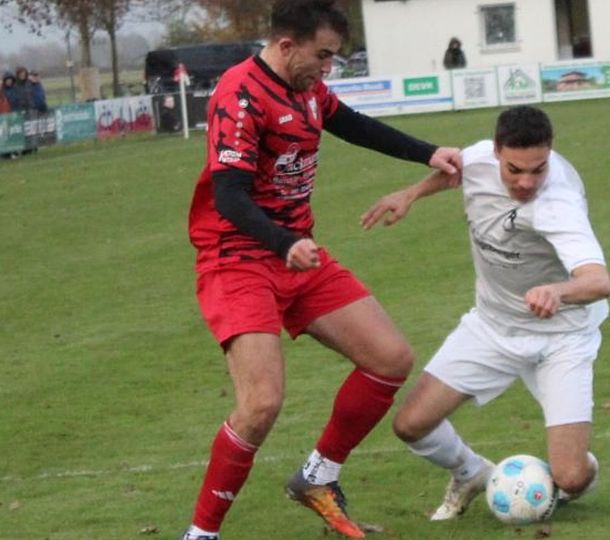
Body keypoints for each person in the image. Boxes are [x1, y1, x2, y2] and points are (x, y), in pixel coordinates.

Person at [180, 1, 462, 539]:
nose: (328, 67)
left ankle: (318, 477)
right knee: (261, 404)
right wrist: (284, 243)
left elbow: (351, 124)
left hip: (296, 253)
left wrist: (429, 154)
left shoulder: (306, 86)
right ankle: (200, 535)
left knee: (389, 358)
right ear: (287, 46)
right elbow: (229, 197)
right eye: (324, 55)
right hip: (238, 258)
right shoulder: (239, 94)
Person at [361, 106, 610, 521]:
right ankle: (471, 472)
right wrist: (410, 194)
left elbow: (598, 281)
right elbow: (455, 172)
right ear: (496, 151)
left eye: (539, 169)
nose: (527, 182)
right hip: (492, 326)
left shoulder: (559, 202)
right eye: (515, 170)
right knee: (410, 424)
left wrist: (558, 290)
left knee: (570, 476)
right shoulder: (477, 157)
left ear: (551, 153)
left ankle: (577, 467)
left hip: (561, 337)